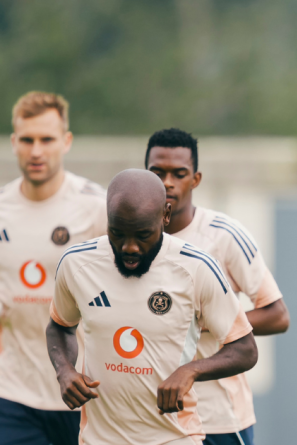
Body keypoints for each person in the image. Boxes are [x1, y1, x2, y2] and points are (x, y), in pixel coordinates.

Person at [46, 169, 258, 444]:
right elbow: (60, 327)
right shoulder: (76, 263)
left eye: (143, 234)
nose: (129, 247)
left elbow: (245, 349)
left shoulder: (197, 268)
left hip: (175, 437)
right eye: (117, 233)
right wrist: (64, 370)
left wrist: (190, 371)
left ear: (165, 215)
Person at [145, 128, 290, 445]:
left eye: (179, 173)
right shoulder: (129, 242)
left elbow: (277, 315)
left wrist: (210, 321)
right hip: (149, 417)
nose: (167, 182)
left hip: (217, 418)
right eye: (157, 173)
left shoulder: (223, 236)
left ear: (195, 179)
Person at [0, 91, 106, 445]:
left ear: (66, 141)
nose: (36, 151)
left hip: (83, 392)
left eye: (46, 139)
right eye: (27, 140)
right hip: (13, 394)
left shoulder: (96, 208)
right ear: (13, 142)